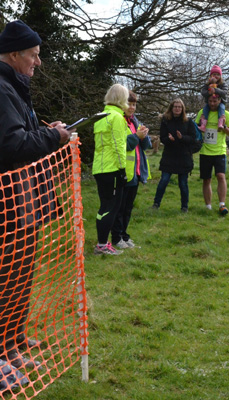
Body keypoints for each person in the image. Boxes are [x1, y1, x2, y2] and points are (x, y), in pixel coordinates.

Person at [0, 20, 71, 388]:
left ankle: (12, 344)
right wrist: (52, 137)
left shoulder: (14, 87)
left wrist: (48, 132)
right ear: (14, 54)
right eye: (33, 55)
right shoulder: (1, 89)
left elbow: (24, 136)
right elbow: (12, 145)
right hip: (8, 205)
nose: (38, 62)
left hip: (24, 203)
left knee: (20, 277)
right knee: (6, 279)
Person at [111, 90, 152, 249]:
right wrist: (137, 137)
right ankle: (116, 238)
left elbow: (146, 146)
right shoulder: (119, 121)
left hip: (135, 172)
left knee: (128, 208)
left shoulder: (135, 121)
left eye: (134, 104)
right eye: (129, 104)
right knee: (119, 208)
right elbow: (124, 144)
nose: (132, 107)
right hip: (123, 172)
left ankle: (124, 235)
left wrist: (144, 136)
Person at [92, 83, 130, 256]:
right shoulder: (117, 118)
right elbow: (119, 146)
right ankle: (102, 245)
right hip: (112, 168)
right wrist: (122, 170)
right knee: (112, 207)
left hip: (99, 167)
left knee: (104, 207)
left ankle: (102, 242)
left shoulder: (101, 116)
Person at [152, 98, 196, 212]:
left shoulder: (188, 122)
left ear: (183, 109)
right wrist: (169, 139)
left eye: (179, 107)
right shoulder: (166, 121)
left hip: (184, 156)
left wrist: (182, 138)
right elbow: (162, 137)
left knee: (183, 183)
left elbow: (193, 138)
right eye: (175, 107)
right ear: (171, 108)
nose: (177, 109)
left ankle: (184, 207)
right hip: (169, 155)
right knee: (164, 180)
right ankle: (156, 204)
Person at [196, 94, 229, 215]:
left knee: (221, 176)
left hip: (219, 151)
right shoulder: (202, 112)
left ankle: (222, 204)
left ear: (219, 100)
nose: (212, 103)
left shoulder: (226, 114)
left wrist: (224, 128)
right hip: (205, 151)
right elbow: (195, 128)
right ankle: (208, 206)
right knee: (206, 179)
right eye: (210, 101)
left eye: (215, 101)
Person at [199, 65, 227, 132]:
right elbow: (203, 92)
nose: (216, 76)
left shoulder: (222, 84)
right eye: (214, 74)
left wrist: (215, 90)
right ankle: (203, 125)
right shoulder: (207, 84)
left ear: (220, 76)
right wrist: (209, 93)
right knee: (205, 109)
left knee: (221, 108)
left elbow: (224, 92)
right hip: (209, 102)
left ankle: (220, 123)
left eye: (218, 75)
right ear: (211, 76)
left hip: (220, 102)